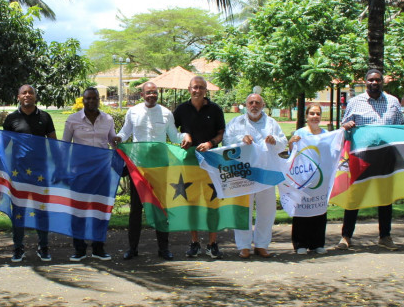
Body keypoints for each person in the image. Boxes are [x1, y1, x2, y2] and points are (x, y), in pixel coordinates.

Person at [338, 68, 404, 250]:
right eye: (371, 80)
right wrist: (347, 125)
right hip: (362, 158)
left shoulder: (393, 102)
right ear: (365, 82)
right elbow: (343, 127)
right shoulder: (354, 102)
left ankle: (385, 236)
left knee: (385, 197)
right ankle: (346, 236)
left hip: (386, 157)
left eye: (377, 80)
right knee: (355, 195)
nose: (374, 83)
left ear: (382, 82)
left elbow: (400, 127)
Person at [113, 81, 180, 260]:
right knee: (135, 209)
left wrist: (186, 137)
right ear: (142, 95)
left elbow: (174, 136)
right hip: (138, 168)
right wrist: (117, 138)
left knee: (161, 209)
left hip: (159, 168)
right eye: (148, 92)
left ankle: (163, 249)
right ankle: (132, 248)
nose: (152, 95)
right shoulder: (133, 112)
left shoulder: (166, 113)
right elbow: (125, 132)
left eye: (154, 92)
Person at [223, 93, 287, 259]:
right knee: (243, 210)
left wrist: (275, 141)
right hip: (243, 172)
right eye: (251, 102)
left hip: (266, 172)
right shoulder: (236, 122)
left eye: (257, 102)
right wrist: (240, 139)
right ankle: (244, 246)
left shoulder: (271, 123)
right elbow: (226, 141)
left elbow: (283, 144)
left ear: (263, 105)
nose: (254, 105)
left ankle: (261, 245)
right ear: (246, 105)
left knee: (267, 210)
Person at [173, 76, 225, 259]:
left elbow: (221, 133)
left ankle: (212, 243)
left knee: (213, 203)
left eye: (201, 88)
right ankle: (194, 242)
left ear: (206, 90)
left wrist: (211, 143)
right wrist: (183, 135)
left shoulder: (215, 109)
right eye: (195, 87)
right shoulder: (181, 109)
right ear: (189, 89)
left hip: (211, 162)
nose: (198, 90)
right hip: (189, 163)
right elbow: (172, 130)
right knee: (192, 204)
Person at [3, 84, 57, 262]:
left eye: (30, 93)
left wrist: (58, 166)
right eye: (24, 93)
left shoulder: (45, 117)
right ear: (18, 97)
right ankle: (18, 248)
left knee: (42, 210)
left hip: (41, 172)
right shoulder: (11, 119)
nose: (27, 95)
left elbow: (54, 144)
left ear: (35, 96)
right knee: (18, 211)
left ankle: (44, 247)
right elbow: (2, 145)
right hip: (19, 173)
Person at [63, 87, 116, 261]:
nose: (91, 101)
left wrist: (117, 142)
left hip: (102, 172)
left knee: (100, 210)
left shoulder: (108, 119)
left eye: (94, 98)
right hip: (80, 173)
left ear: (99, 100)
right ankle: (79, 249)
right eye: (88, 99)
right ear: (83, 100)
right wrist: (65, 170)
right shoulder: (72, 120)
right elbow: (64, 146)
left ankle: (98, 248)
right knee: (78, 210)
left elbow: (112, 141)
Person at [287, 104, 329, 255]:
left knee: (319, 209)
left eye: (318, 113)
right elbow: (292, 155)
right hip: (303, 177)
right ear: (306, 116)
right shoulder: (300, 133)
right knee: (302, 210)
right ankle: (300, 244)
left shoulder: (326, 134)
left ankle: (317, 243)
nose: (315, 116)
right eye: (312, 113)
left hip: (321, 179)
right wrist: (291, 143)